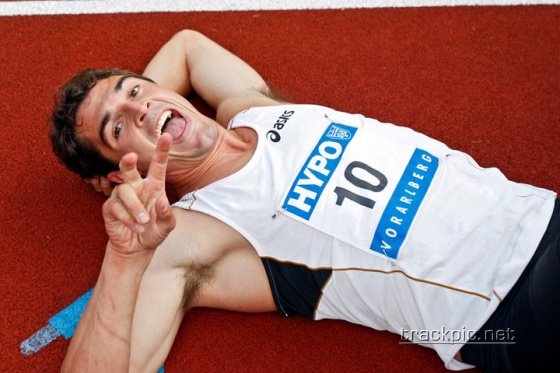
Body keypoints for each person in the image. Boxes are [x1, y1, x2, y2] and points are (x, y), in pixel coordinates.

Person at [50, 29, 559, 373]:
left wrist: (137, 107)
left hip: (543, 213)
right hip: (505, 313)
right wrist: (123, 257)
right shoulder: (193, 236)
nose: (139, 109)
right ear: (119, 171)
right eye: (116, 127)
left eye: (136, 90)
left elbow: (186, 45)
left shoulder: (253, 109)